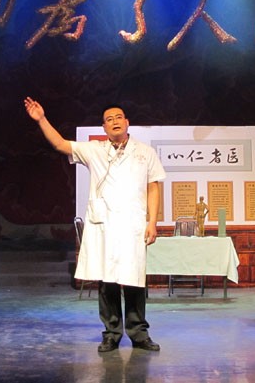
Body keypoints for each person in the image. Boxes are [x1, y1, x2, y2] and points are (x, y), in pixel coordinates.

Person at [24, 97, 166, 352]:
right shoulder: (95, 150)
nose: (114, 122)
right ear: (103, 127)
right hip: (104, 226)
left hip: (133, 226)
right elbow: (60, 144)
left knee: (134, 279)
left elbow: (153, 188)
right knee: (107, 279)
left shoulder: (145, 152)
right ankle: (111, 333)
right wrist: (42, 119)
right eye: (109, 119)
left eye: (118, 117)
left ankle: (139, 333)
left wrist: (153, 222)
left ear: (127, 122)